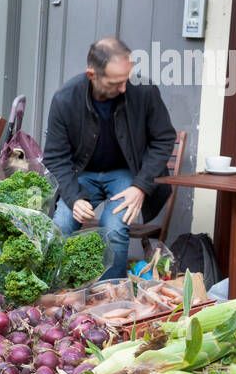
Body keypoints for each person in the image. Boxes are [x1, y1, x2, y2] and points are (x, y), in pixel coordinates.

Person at [42, 37, 177, 280]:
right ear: (92, 75)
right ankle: (59, 291)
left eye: (126, 79)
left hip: (126, 173)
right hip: (81, 175)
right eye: (116, 82)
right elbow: (55, 156)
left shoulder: (144, 92)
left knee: (114, 228)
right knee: (62, 224)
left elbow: (164, 139)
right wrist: (74, 198)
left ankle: (112, 294)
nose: (124, 88)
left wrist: (141, 186)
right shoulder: (65, 99)